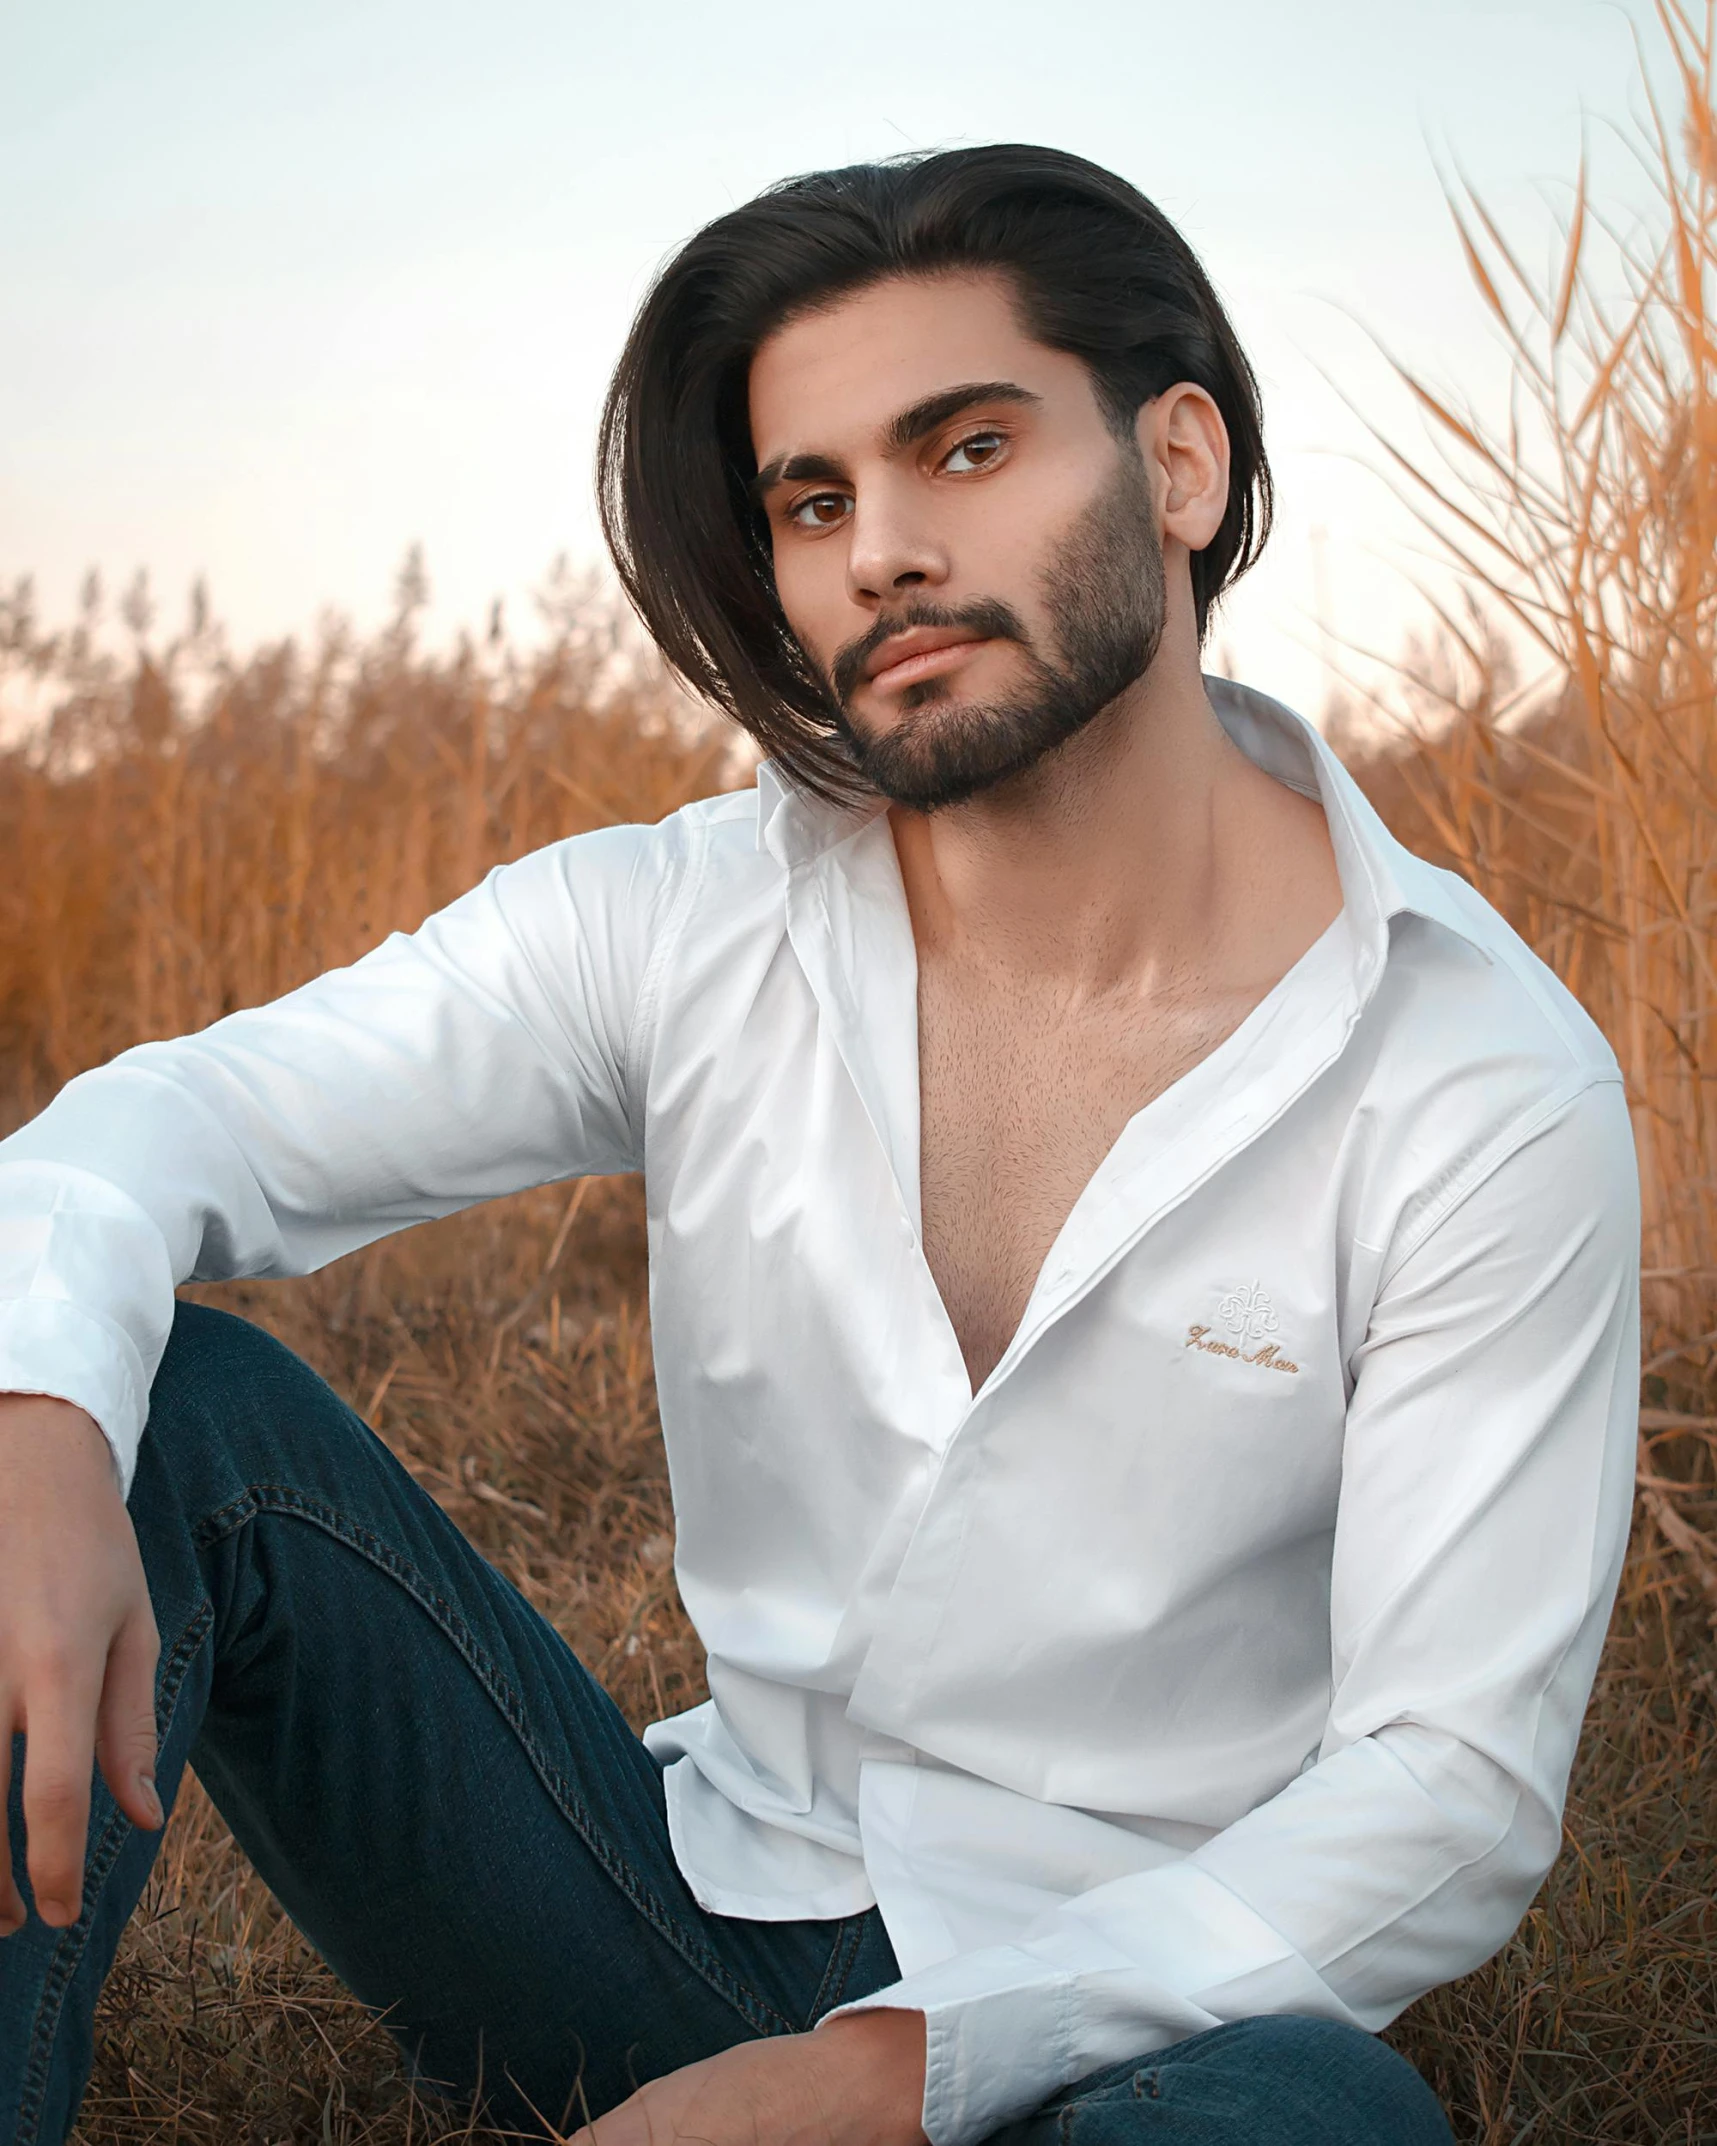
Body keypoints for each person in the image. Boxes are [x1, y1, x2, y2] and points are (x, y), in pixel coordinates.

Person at [0, 147, 1638, 2146]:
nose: (882, 549)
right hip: (666, 1908)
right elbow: (158, 1123)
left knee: (1314, 2119)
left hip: (1135, 2007)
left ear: (1181, 466)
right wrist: (41, 1421)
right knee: (123, 1398)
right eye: (816, 496)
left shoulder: (1473, 1080)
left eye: (966, 447)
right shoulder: (686, 918)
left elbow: (1448, 1782)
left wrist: (891, 2068)